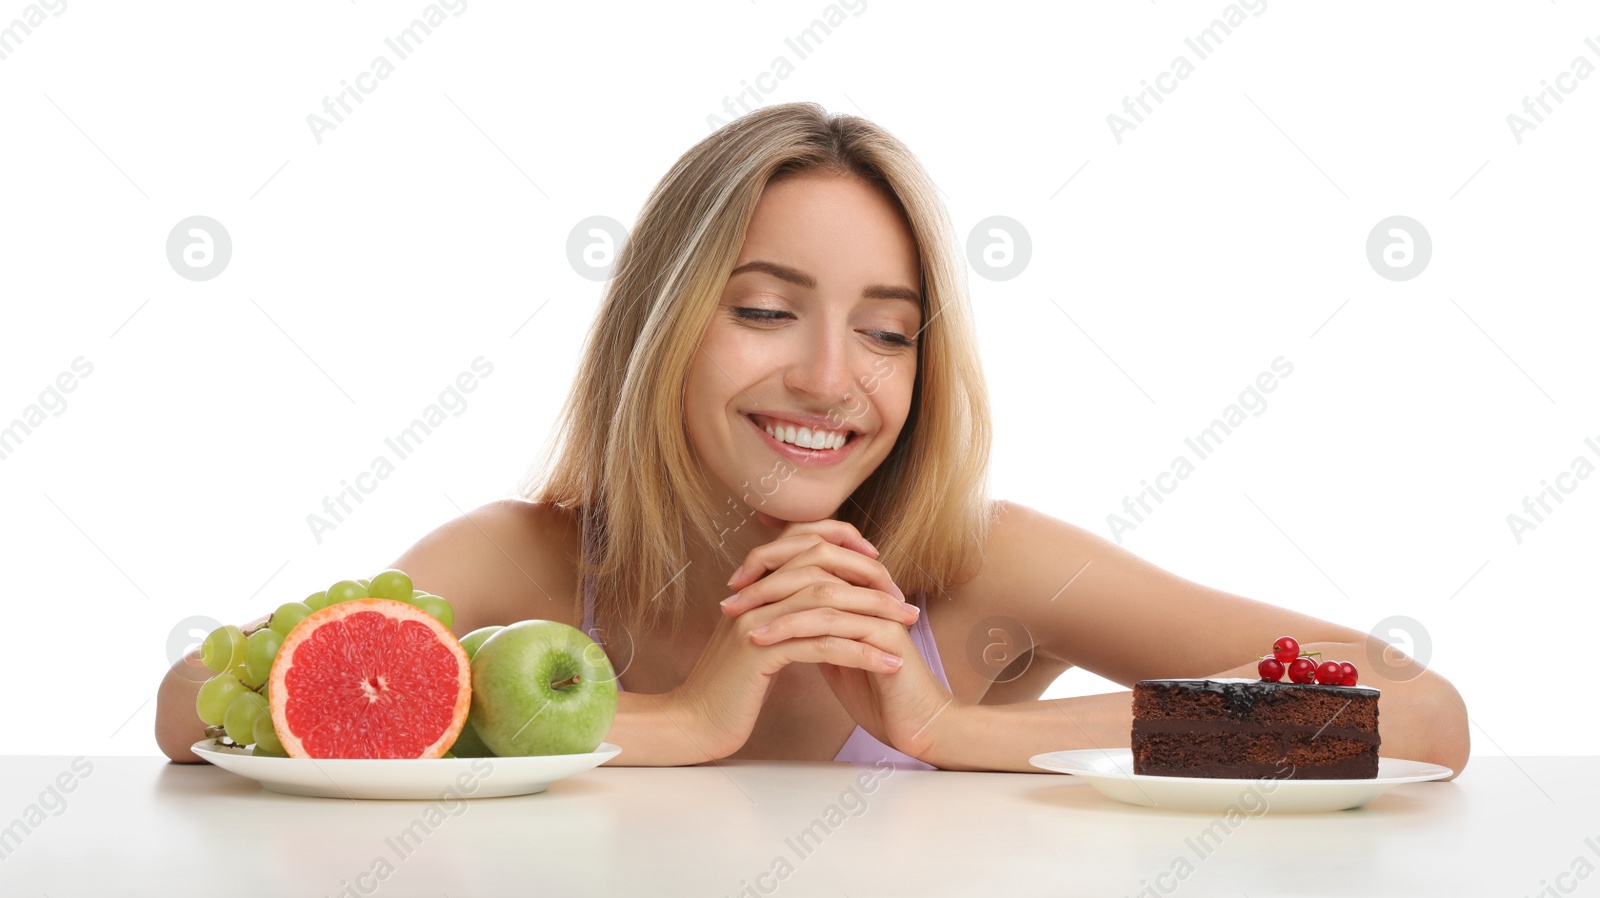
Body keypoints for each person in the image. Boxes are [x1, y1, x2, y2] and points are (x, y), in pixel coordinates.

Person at [156, 102, 1469, 776]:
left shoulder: (980, 570)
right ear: (661, 326)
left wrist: (966, 730)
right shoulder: (523, 562)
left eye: (890, 332)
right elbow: (195, 711)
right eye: (769, 311)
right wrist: (671, 716)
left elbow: (1419, 716)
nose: (832, 378)